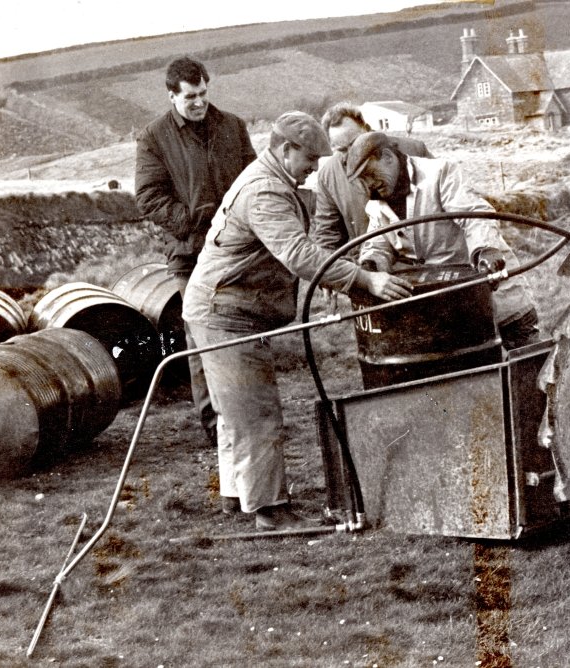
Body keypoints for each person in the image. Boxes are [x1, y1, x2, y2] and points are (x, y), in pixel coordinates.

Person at [182, 112, 411, 531]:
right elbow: (300, 255)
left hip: (218, 308)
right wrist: (364, 280)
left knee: (235, 410)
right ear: (285, 149)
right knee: (255, 410)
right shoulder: (266, 191)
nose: (313, 168)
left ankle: (239, 496)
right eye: (309, 158)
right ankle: (270, 510)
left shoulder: (269, 178)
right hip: (224, 312)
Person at [134, 57, 256, 459]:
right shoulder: (153, 137)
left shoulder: (233, 127)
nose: (199, 103)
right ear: (172, 96)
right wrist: (190, 222)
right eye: (190, 97)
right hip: (190, 255)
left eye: (203, 93)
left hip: (238, 251)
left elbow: (253, 180)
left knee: (245, 329)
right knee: (201, 339)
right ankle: (214, 425)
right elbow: (149, 196)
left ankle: (248, 416)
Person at [346, 131, 539, 350]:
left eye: (371, 173)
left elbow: (475, 216)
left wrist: (485, 250)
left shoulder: (438, 174)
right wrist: (370, 265)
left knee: (526, 363)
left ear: (388, 157)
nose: (370, 184)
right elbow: (378, 244)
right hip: (450, 309)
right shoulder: (377, 204)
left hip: (494, 293)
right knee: (476, 376)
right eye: (363, 180)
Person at [311, 102, 432, 252]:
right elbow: (328, 237)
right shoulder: (328, 176)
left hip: (428, 257)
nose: (353, 153)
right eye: (343, 150)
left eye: (356, 142)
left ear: (368, 130)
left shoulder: (414, 150)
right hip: (373, 263)